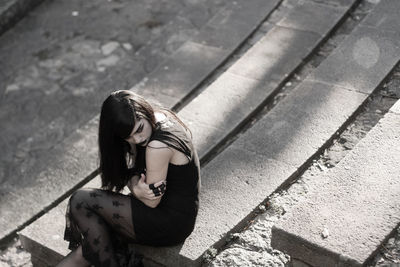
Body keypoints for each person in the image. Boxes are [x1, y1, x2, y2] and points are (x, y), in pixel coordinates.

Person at [57, 90, 201, 267]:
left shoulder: (157, 146)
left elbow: (150, 201)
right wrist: (135, 184)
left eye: (139, 130)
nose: (138, 138)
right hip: (172, 211)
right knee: (95, 241)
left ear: (143, 112)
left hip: (169, 221)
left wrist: (135, 187)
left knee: (81, 201)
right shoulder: (157, 117)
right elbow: (137, 178)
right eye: (129, 136)